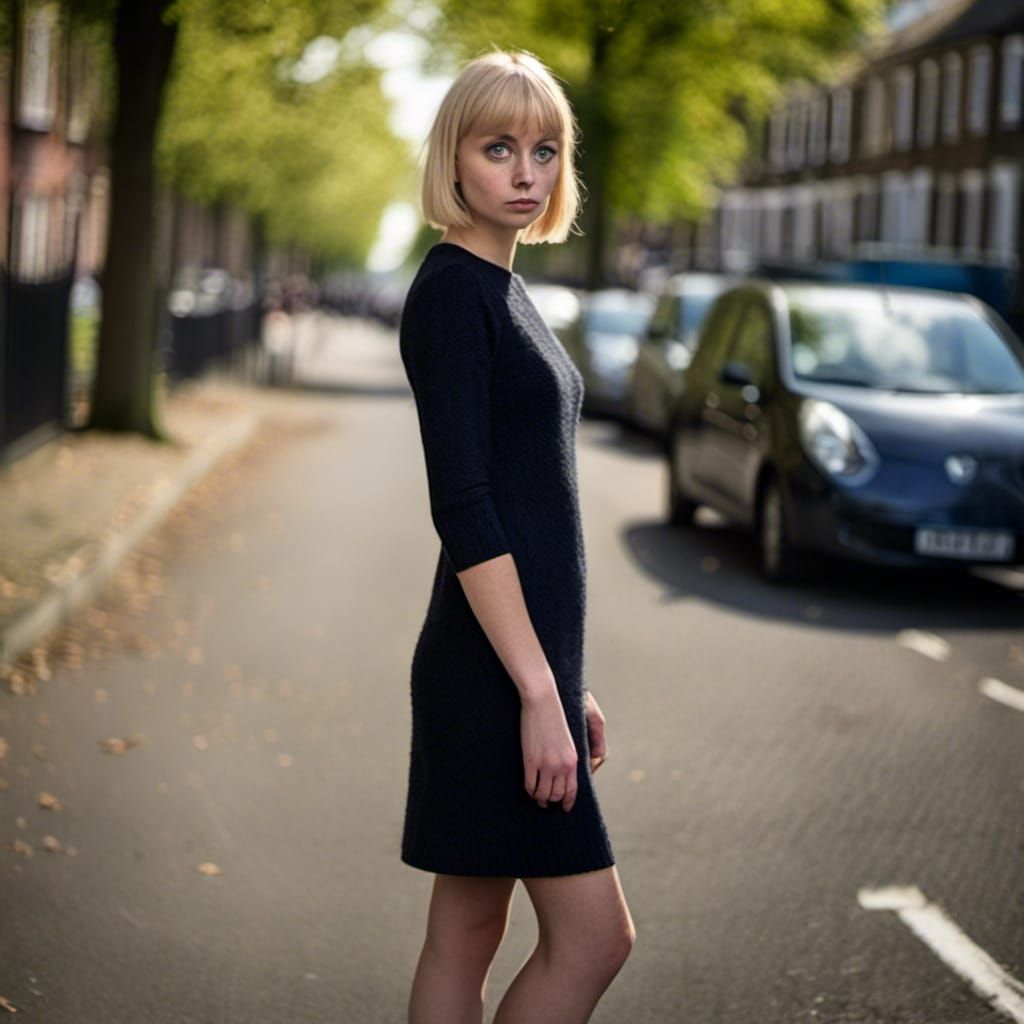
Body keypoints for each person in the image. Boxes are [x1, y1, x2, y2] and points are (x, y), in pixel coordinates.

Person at [398, 49, 636, 1024]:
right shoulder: (455, 294)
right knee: (595, 938)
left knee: (466, 930)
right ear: (452, 157)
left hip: (516, 661)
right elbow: (465, 506)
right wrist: (536, 687)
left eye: (544, 149)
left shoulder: (502, 288)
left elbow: (531, 495)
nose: (525, 170)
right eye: (498, 147)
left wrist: (562, 675)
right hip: (491, 675)